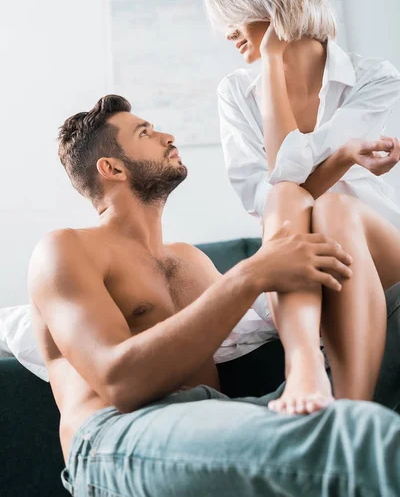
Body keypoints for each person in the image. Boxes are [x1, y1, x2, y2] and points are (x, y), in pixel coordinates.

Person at [28, 95, 400, 497]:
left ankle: (345, 408)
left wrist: (339, 162)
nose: (167, 136)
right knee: (361, 438)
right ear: (112, 167)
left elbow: (287, 232)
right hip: (117, 437)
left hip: (224, 417)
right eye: (145, 132)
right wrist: (248, 275)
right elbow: (122, 382)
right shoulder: (65, 249)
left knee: (373, 271)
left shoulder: (191, 261)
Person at [204, 0, 400, 415]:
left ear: (270, 3)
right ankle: (310, 371)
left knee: (330, 204)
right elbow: (266, 195)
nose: (227, 33)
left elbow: (286, 177)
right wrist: (340, 159)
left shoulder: (376, 78)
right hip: (299, 244)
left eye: (234, 14)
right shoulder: (235, 91)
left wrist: (272, 60)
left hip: (382, 249)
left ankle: (348, 406)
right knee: (296, 200)